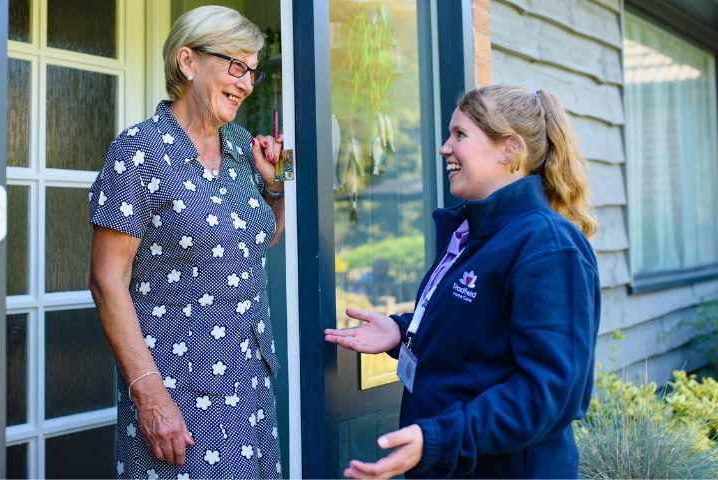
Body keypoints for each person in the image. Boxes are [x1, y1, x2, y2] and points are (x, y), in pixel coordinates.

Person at [325, 85, 601, 479]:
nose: (444, 148)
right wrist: (401, 331)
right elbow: (477, 332)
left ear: (510, 149)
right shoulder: (472, 232)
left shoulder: (549, 247)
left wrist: (440, 437)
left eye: (460, 135)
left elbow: (547, 395)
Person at [89, 6, 284, 479]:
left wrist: (277, 183)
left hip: (252, 384)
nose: (246, 82)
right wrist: (150, 396)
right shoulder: (140, 150)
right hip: (180, 395)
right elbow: (105, 280)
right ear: (188, 61)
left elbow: (256, 242)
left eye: (252, 71)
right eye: (235, 65)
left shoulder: (239, 145)